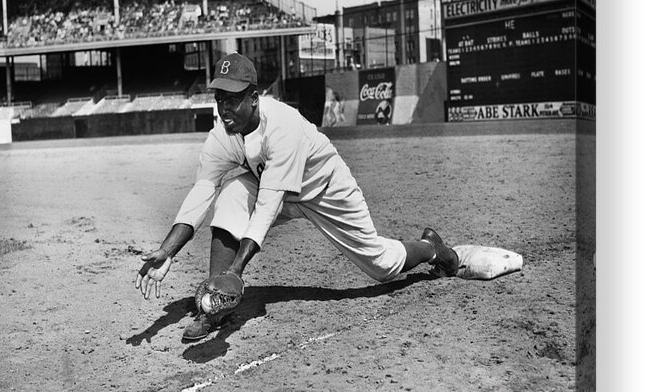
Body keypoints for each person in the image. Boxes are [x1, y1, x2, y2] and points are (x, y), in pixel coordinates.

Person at [135, 52, 458, 341]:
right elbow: (202, 190)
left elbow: (266, 207)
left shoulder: (282, 126)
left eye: (232, 99)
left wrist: (235, 270)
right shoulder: (223, 134)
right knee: (232, 194)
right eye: (220, 99)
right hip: (270, 186)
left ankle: (430, 248)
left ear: (254, 98)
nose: (224, 108)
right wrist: (168, 250)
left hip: (325, 190)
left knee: (381, 265)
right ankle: (215, 307)